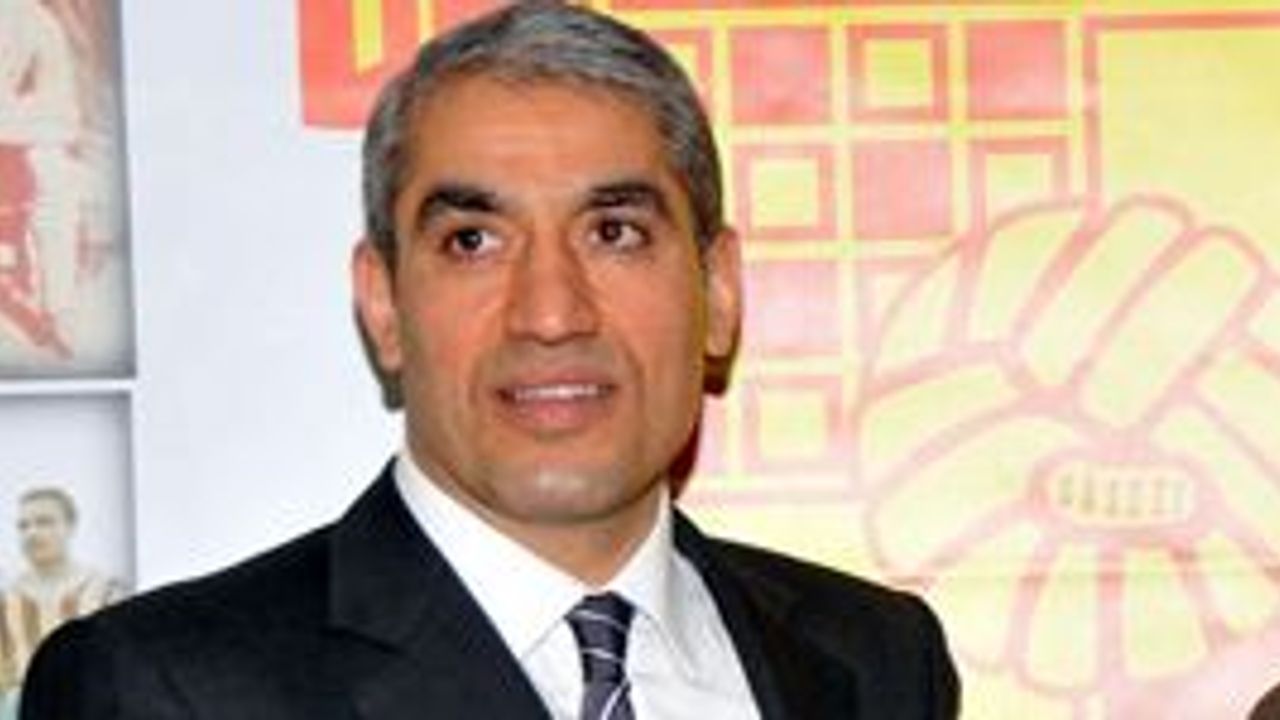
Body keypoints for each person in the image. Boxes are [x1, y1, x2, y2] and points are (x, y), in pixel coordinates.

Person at [21, 2, 960, 717]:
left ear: (716, 292)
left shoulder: (878, 662)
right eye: (473, 241)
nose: (551, 313)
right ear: (384, 304)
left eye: (615, 232)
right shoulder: (161, 690)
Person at [0, 0, 82, 356]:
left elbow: (61, 111)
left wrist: (15, 120)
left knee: (52, 171)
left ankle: (57, 308)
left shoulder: (33, 19)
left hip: (16, 128)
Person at [0, 487, 122, 716]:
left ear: (70, 526)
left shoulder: (108, 592)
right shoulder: (6, 600)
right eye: (23, 526)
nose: (32, 533)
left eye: (44, 522)